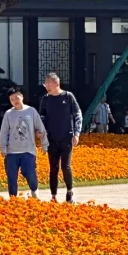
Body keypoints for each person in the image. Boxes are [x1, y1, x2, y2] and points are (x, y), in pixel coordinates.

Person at [37, 72, 82, 203]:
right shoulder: (45, 99)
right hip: (52, 138)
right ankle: (53, 195)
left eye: (49, 84)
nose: (47, 87)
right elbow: (41, 118)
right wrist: (41, 132)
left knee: (65, 166)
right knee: (53, 168)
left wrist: (77, 133)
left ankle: (69, 192)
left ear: (57, 83)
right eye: (45, 85)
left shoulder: (68, 97)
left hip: (66, 137)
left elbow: (77, 115)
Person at [0, 88, 48, 199]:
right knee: (11, 176)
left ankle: (34, 190)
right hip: (12, 152)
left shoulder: (31, 111)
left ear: (22, 96)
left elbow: (40, 128)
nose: (15, 100)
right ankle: (13, 199)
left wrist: (44, 144)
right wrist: (3, 148)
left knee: (28, 172)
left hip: (28, 150)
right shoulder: (8, 114)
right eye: (11, 99)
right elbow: (4, 132)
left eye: (16, 97)